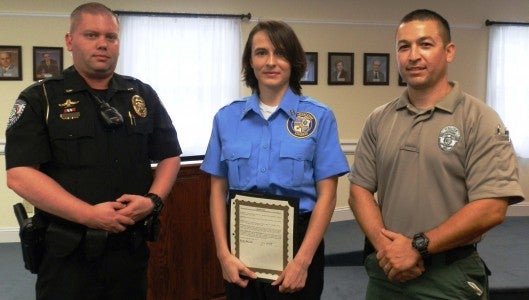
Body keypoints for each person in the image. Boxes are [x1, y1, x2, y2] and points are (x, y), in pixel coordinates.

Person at [5, 2, 182, 300]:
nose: (103, 44)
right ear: (70, 41)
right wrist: (88, 215)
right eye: (91, 35)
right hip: (67, 256)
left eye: (111, 37)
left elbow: (170, 155)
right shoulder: (41, 98)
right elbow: (20, 176)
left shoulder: (140, 94)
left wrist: (153, 201)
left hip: (130, 250)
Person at [348, 9, 525, 299]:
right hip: (386, 274)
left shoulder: (479, 119)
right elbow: (359, 191)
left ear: (449, 51)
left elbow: (492, 206)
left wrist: (417, 245)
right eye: (404, 47)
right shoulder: (379, 119)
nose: (413, 55)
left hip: (448, 276)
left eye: (425, 44)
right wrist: (388, 250)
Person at [200, 20, 349, 299]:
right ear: (250, 62)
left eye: (280, 53)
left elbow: (327, 196)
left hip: (300, 244)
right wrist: (223, 254)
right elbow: (217, 191)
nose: (271, 62)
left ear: (294, 62)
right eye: (261, 53)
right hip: (241, 246)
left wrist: (303, 261)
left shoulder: (319, 117)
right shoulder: (226, 118)